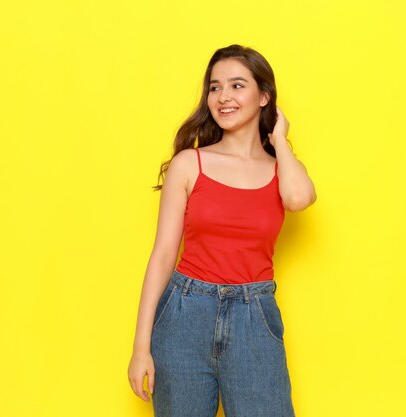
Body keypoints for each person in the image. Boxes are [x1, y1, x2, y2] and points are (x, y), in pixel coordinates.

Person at [127, 44, 317, 417]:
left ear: (265, 97)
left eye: (237, 86)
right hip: (184, 314)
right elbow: (163, 255)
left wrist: (279, 139)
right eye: (215, 88)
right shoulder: (190, 163)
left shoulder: (283, 171)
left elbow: (299, 199)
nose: (223, 97)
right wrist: (140, 346)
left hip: (254, 317)